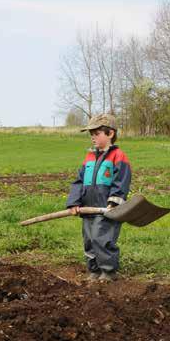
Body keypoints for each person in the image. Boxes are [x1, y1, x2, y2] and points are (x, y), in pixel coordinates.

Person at [65, 114, 132, 281]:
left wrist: (113, 202)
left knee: (101, 239)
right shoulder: (89, 157)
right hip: (88, 208)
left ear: (110, 134)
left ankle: (108, 271)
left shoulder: (118, 156)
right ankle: (94, 270)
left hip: (106, 209)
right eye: (91, 134)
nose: (93, 138)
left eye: (97, 134)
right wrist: (73, 202)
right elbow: (79, 181)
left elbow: (121, 181)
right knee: (89, 240)